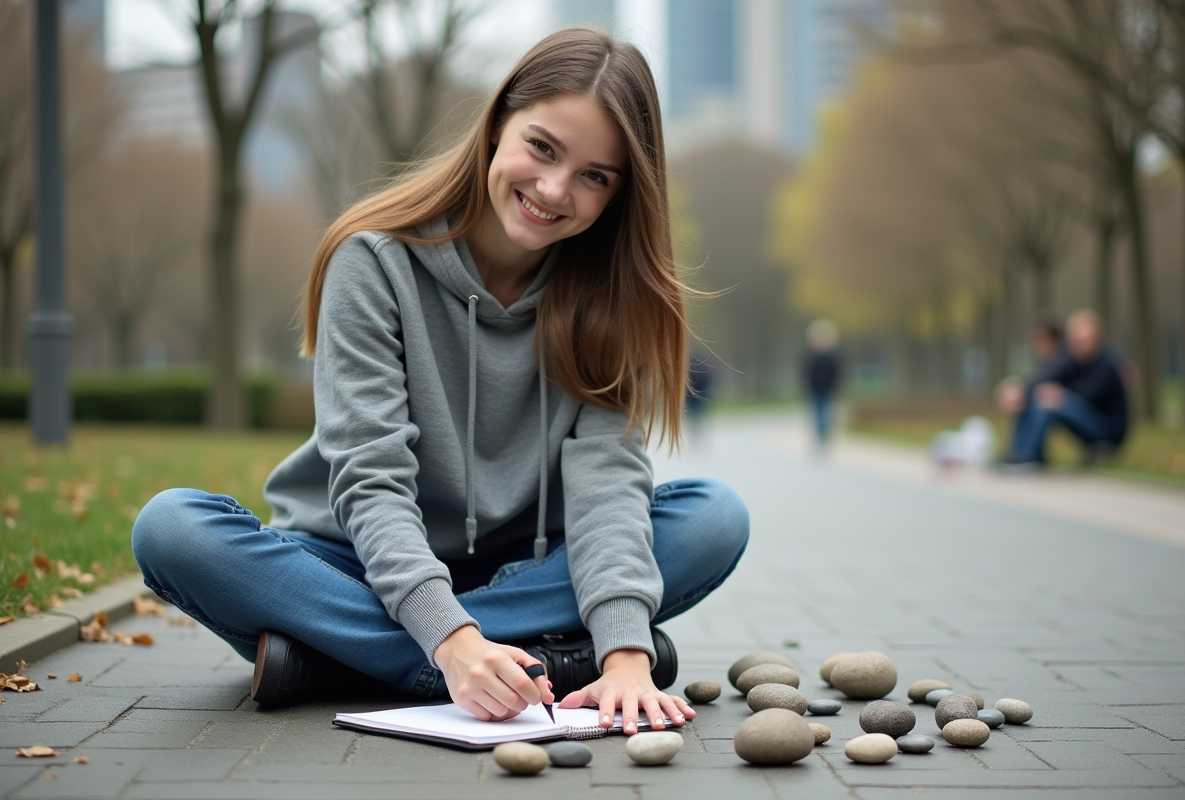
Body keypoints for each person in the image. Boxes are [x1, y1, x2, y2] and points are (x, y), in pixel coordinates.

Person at [130, 28, 749, 736]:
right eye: (542, 148)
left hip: (526, 563)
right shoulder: (373, 261)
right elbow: (371, 478)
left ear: (619, 194)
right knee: (173, 530)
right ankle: (529, 663)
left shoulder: (607, 298)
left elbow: (608, 487)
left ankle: (339, 662)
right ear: (495, 127)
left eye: (594, 177)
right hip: (358, 558)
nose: (554, 190)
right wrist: (449, 641)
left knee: (713, 518)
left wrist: (629, 653)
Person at [1003, 309, 1129, 466]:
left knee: (1051, 399)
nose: (1081, 345)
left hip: (1107, 431)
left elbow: (1088, 396)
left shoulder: (1107, 365)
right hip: (1083, 420)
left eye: (1086, 340)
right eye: (1076, 341)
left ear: (1098, 338)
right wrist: (1017, 390)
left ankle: (1029, 456)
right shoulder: (1072, 360)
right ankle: (1019, 452)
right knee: (1039, 394)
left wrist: (1061, 396)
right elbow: (1043, 379)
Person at [802, 319, 841, 446]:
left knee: (827, 412)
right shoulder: (812, 356)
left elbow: (836, 373)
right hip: (815, 388)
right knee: (818, 412)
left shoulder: (831, 357)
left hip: (828, 388)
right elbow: (806, 372)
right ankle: (820, 432)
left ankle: (824, 431)